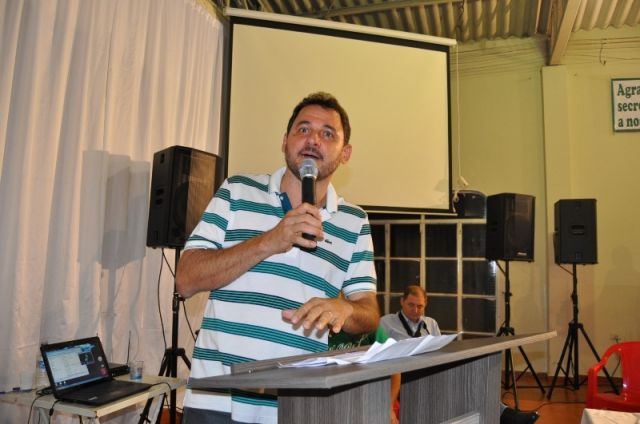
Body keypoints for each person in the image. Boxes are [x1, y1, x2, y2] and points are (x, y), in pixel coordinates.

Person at [176, 92, 379, 424]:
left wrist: (346, 309)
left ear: (345, 153)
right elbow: (185, 279)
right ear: (285, 141)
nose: (313, 140)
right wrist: (270, 241)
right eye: (303, 129)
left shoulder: (354, 221)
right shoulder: (237, 191)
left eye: (328, 133)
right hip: (217, 401)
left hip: (296, 406)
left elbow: (369, 314)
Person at [381, 285, 538, 424]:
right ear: (402, 301)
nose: (415, 310)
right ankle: (506, 416)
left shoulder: (431, 323)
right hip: (401, 377)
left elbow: (440, 351)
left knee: (471, 380)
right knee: (461, 386)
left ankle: (504, 414)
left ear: (426, 304)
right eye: (411, 305)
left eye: (420, 306)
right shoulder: (386, 323)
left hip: (430, 372)